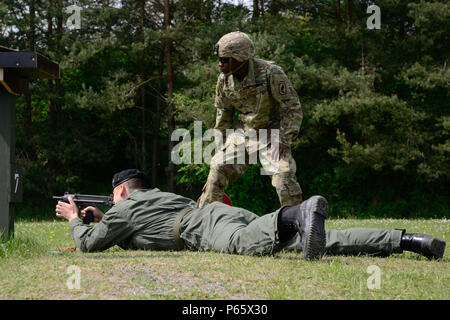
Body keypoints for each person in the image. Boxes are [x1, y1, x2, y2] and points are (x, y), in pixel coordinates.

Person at [55, 169, 446, 261]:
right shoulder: (159, 196)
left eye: (113, 196)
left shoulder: (126, 206)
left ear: (121, 191)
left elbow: (89, 246)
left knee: (247, 245)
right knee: (310, 242)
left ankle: (296, 210)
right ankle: (410, 241)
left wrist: (75, 218)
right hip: (220, 214)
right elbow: (127, 228)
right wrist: (100, 218)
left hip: (203, 228)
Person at [197, 31, 303, 208]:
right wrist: (220, 144)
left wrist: (284, 139)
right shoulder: (224, 80)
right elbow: (223, 114)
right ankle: (203, 222)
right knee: (216, 169)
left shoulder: (271, 73)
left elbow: (291, 107)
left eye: (224, 59)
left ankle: (298, 224)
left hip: (271, 135)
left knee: (283, 176)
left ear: (240, 58)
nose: (220, 64)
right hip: (242, 134)